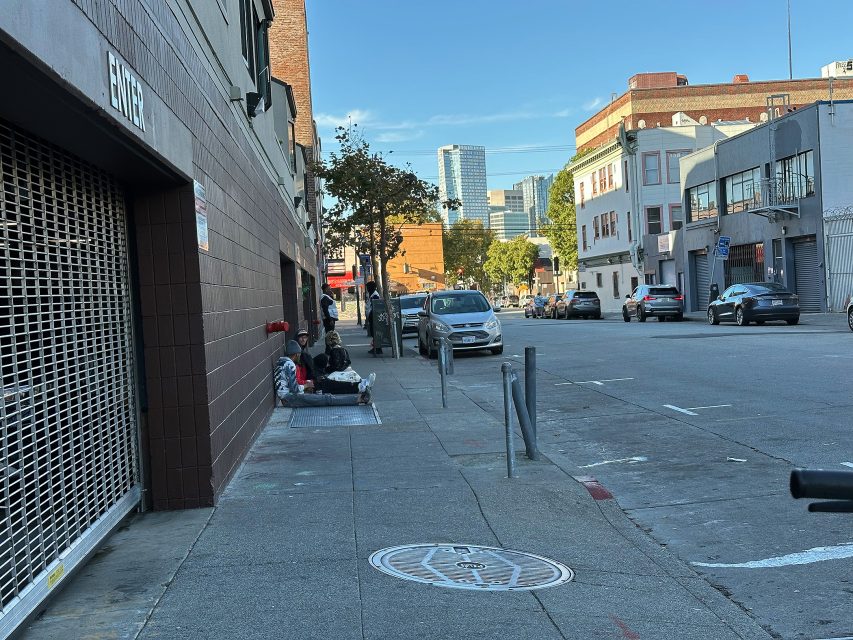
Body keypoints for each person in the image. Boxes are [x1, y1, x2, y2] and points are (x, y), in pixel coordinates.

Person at [276, 340, 375, 407]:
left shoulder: (281, 363)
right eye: (299, 354)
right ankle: (360, 398)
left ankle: (360, 391)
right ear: (296, 354)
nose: (300, 356)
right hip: (290, 398)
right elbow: (295, 389)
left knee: (328, 396)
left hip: (288, 397)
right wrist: (307, 385)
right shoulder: (290, 364)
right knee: (327, 399)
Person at [365, 281, 382, 355]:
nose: (367, 289)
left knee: (374, 332)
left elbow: (374, 307)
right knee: (373, 333)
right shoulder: (371, 294)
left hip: (374, 317)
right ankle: (376, 347)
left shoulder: (375, 295)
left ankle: (378, 348)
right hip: (371, 316)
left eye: (368, 287)